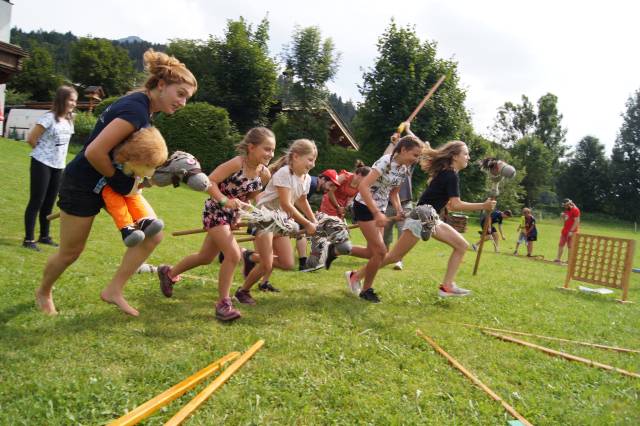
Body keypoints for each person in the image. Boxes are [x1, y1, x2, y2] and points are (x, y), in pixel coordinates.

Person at [34, 49, 197, 316]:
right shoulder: (134, 110)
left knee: (152, 233)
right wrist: (119, 179)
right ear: (160, 85)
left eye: (187, 98)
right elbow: (94, 152)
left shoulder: (144, 108)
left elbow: (124, 153)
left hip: (111, 182)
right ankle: (44, 291)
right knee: (70, 252)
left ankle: (113, 291)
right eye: (180, 94)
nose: (183, 102)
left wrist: (135, 177)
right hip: (83, 183)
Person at [349, 137, 496, 298]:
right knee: (394, 256)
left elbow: (449, 204)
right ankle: (355, 276)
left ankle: (446, 286)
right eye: (466, 154)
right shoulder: (450, 175)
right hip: (421, 217)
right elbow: (456, 204)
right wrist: (483, 205)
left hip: (430, 218)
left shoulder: (448, 173)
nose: (468, 157)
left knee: (461, 245)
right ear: (454, 156)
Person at [157, 127, 275, 321]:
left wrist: (240, 214)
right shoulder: (237, 163)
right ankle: (223, 303)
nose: (270, 154)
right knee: (233, 254)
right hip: (215, 210)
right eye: (267, 149)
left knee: (205, 257)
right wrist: (224, 201)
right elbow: (209, 181)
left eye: (272, 150)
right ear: (251, 147)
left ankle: (168, 273)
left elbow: (250, 197)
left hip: (230, 215)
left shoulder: (264, 174)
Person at [343, 132, 423, 303]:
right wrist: (376, 212)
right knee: (381, 252)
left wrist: (399, 210)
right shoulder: (385, 162)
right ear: (402, 150)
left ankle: (340, 255)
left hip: (379, 208)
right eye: (414, 155)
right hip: (364, 207)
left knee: (373, 252)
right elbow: (363, 186)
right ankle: (366, 289)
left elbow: (393, 193)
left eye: (419, 156)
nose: (416, 159)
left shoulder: (403, 169)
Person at [236, 139, 318, 305]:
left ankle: (250, 257)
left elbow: (302, 201)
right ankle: (242, 291)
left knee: (287, 263)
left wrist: (315, 220)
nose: (313, 164)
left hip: (280, 221)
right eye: (310, 159)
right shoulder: (284, 174)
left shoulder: (306, 178)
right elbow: (287, 204)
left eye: (314, 160)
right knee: (266, 263)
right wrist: (307, 224)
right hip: (265, 219)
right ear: (295, 156)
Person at [23, 85, 77, 251]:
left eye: (75, 100)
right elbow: (31, 138)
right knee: (36, 201)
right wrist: (43, 154)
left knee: (49, 202)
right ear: (62, 99)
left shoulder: (69, 119)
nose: (74, 103)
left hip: (58, 166)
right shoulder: (48, 118)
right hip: (42, 164)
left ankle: (44, 236)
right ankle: (29, 239)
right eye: (71, 100)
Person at [98, 127, 168, 246]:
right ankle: (127, 228)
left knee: (134, 199)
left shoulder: (137, 168)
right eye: (148, 166)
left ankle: (144, 220)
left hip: (131, 189)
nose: (150, 171)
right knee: (117, 204)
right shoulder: (122, 164)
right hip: (110, 187)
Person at [554, 198, 580, 263]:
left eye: (565, 205)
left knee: (570, 246)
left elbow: (577, 221)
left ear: (569, 204)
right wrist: (563, 216)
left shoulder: (575, 210)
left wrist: (571, 231)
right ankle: (558, 259)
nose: (564, 207)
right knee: (561, 244)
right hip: (565, 231)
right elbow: (567, 219)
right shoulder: (567, 210)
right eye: (564, 205)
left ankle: (569, 260)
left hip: (572, 232)